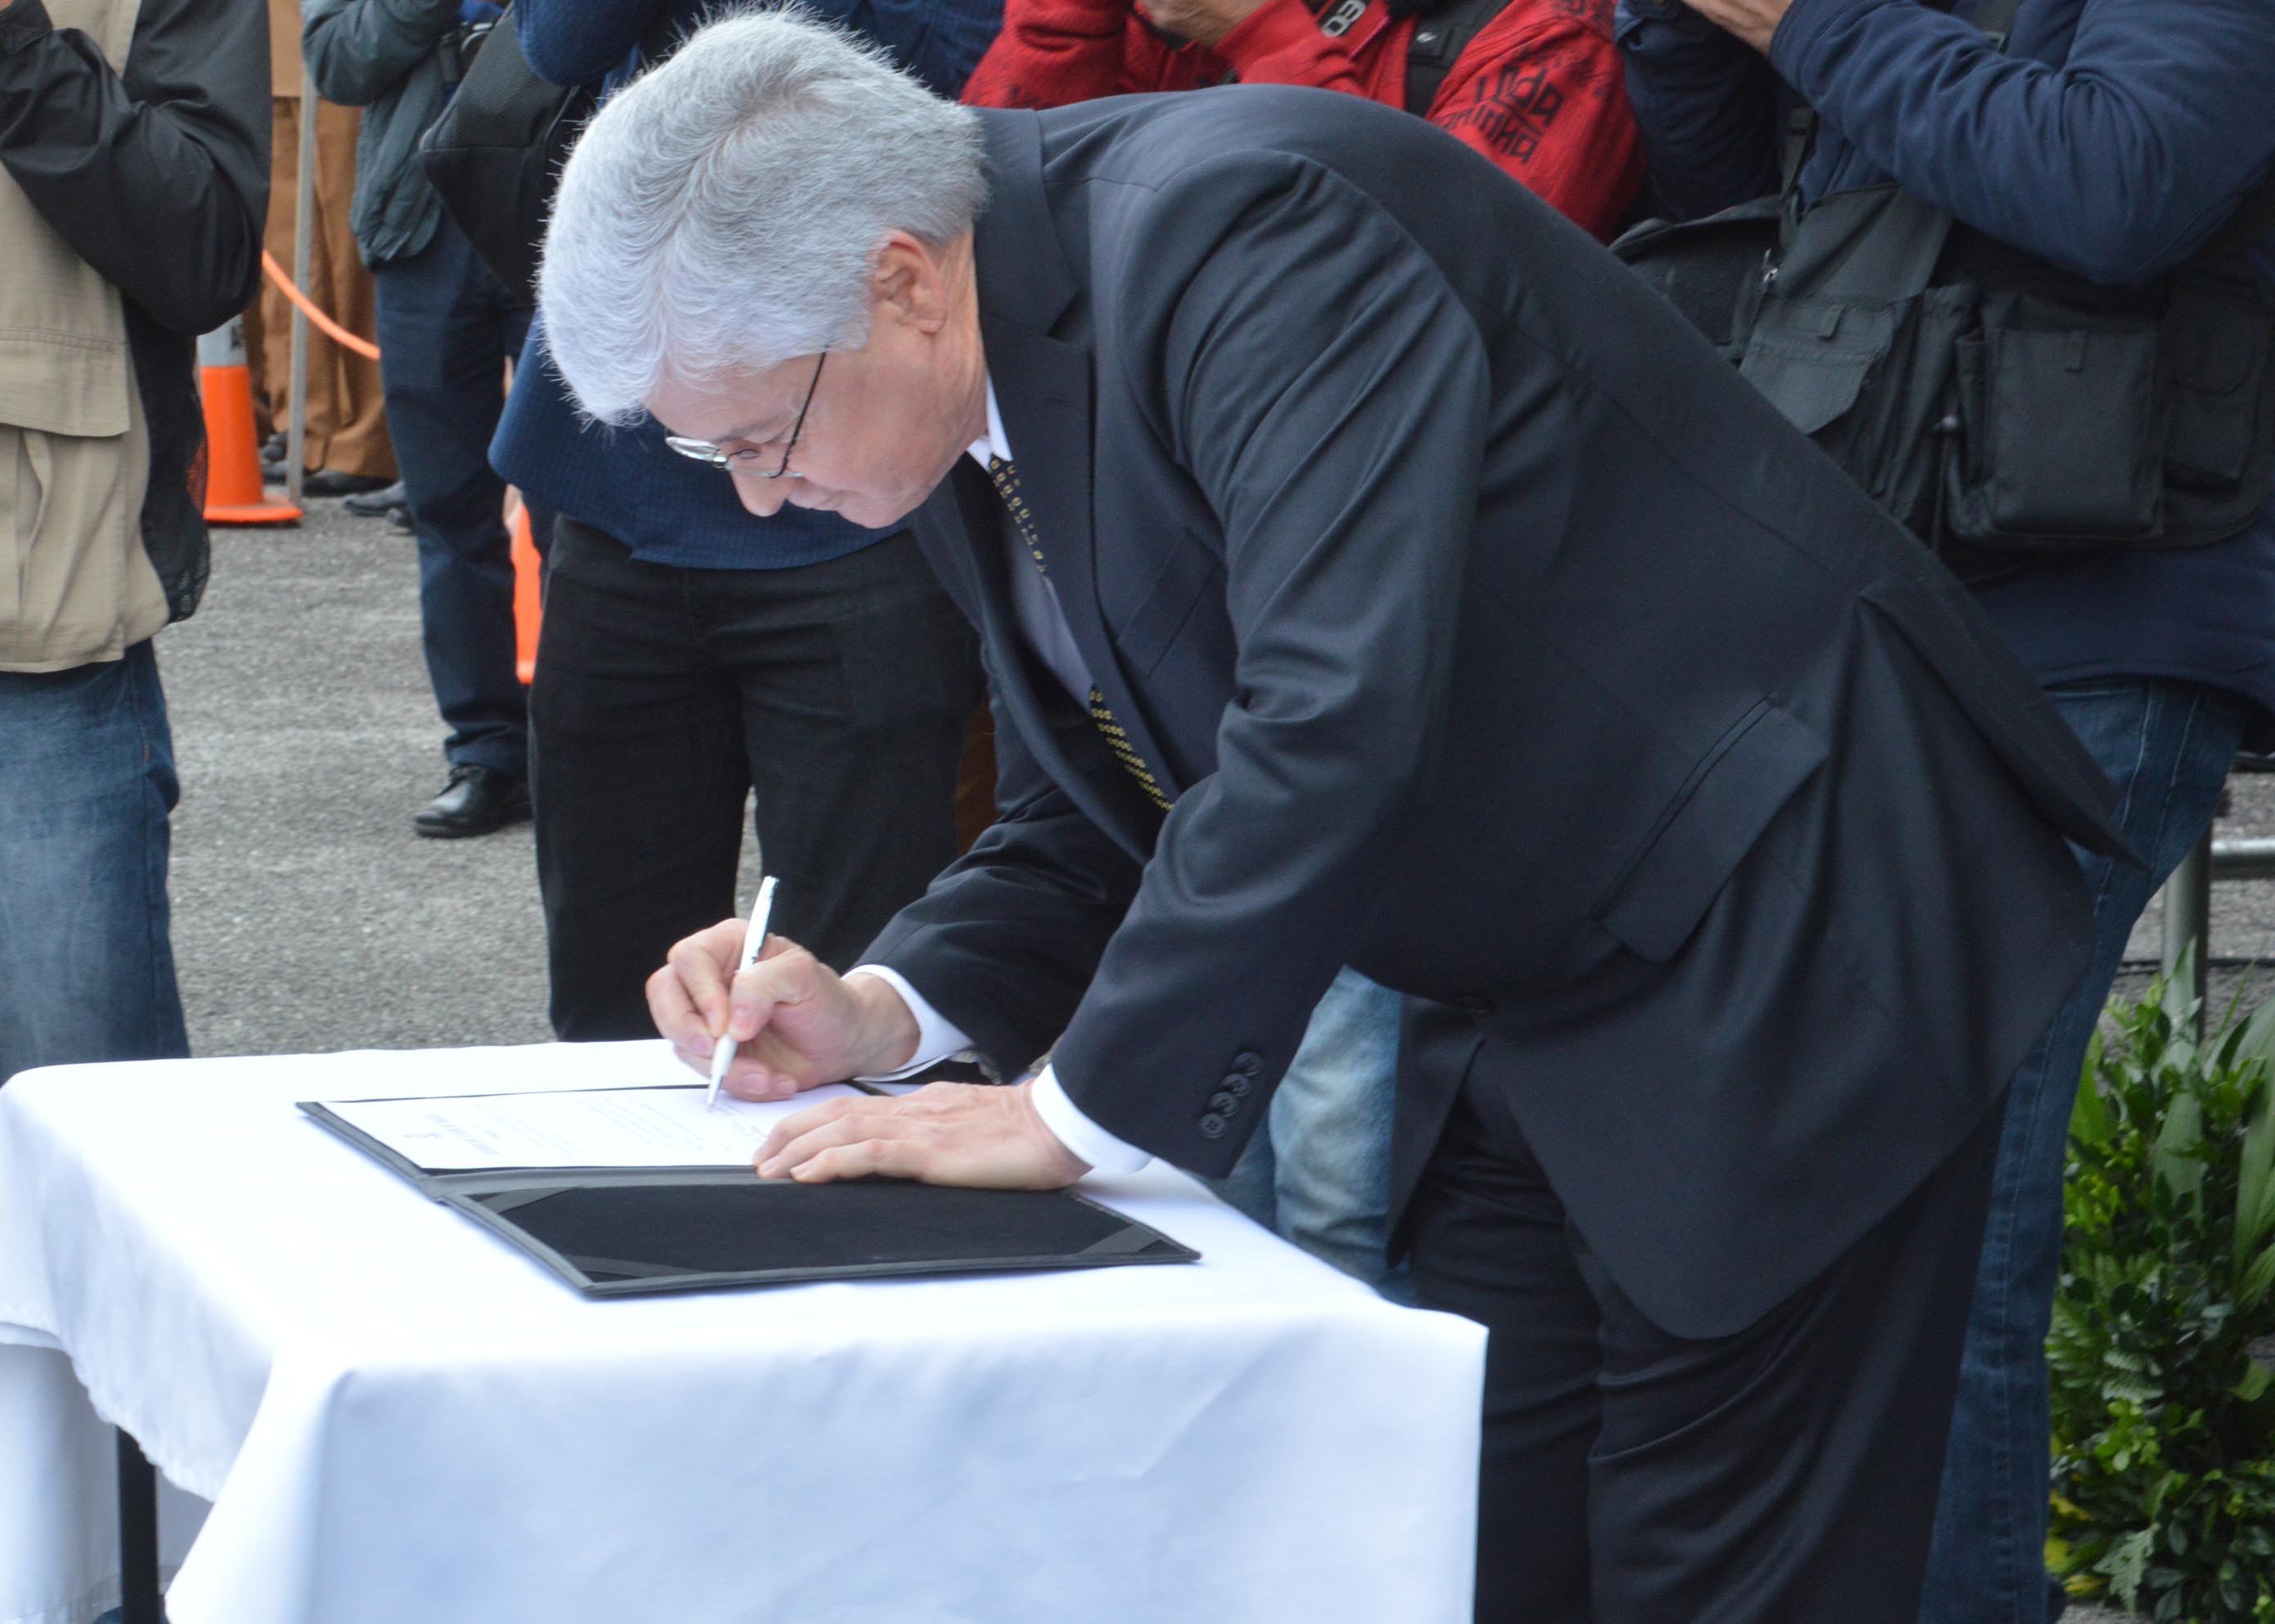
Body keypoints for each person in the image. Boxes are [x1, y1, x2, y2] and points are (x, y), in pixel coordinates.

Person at [541, 17, 2136, 1617]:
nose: (756, 494)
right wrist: (889, 1009)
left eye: (757, 434)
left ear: (898, 279)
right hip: (1543, 982)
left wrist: (1070, 1113)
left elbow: (1329, 715)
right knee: (1474, 1547)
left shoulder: (1250, 230)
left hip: (1786, 932)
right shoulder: (959, 363)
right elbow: (1102, 794)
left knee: (1715, 1573)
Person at [1612, 2, 2275, 1617]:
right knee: (1855, 1223)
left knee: (1951, 1224)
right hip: (1877, 592)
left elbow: (2122, 179)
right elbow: (1737, 195)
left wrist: (1801, 13)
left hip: (2096, 616)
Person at [968, 0, 1646, 1297]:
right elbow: (986, 224)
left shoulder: (1548, 25)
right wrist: (1068, 18)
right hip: (1193, 659)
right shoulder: (1166, 34)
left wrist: (1260, 27)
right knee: (1195, 1194)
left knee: (1347, 1199)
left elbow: (1410, 261)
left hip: (1401, 673)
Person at [0, 0, 269, 1611]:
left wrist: (4, 37)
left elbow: (205, 248)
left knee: (112, 1201)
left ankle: (135, 1592)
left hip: (29, 664)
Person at [498, 0, 1002, 1037]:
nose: (752, 484)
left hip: (865, 471)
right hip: (626, 473)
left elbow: (975, 89)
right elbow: (555, 41)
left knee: (863, 962)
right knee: (617, 984)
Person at [304, 0, 559, 836]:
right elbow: (337, 61)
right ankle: (485, 751)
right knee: (448, 511)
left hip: (565, 210)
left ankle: (587, 750)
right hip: (424, 224)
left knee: (580, 516)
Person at [965, 0, 1641, 238]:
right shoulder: (1158, 21)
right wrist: (1067, 19)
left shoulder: (1565, 30)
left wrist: (1266, 40)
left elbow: (1447, 298)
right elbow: (981, 227)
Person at [250, 0, 397, 497]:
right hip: (263, 36)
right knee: (289, 252)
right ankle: (308, 423)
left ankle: (368, 440)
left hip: (343, 33)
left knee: (351, 246)